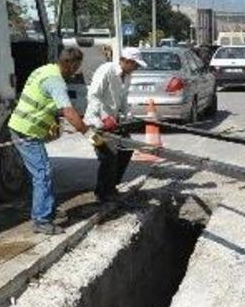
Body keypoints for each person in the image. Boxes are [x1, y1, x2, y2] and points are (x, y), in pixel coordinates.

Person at [8, 47, 93, 235]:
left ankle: (46, 209)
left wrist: (52, 120)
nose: (76, 71)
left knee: (38, 173)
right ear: (70, 64)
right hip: (27, 131)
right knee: (43, 173)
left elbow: (43, 100)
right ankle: (41, 219)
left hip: (20, 125)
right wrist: (90, 135)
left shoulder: (44, 70)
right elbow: (69, 112)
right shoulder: (56, 82)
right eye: (76, 66)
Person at [85, 46, 149, 202]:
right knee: (107, 156)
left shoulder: (127, 76)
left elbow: (123, 99)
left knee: (126, 149)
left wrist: (127, 115)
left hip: (113, 123)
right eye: (135, 65)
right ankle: (102, 193)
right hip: (94, 123)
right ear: (126, 61)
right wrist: (99, 118)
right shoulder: (106, 70)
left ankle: (111, 187)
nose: (136, 68)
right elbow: (94, 95)